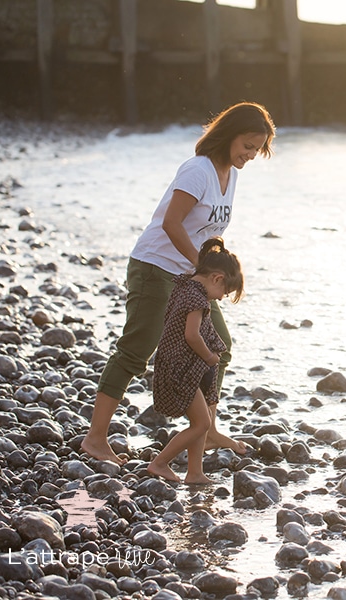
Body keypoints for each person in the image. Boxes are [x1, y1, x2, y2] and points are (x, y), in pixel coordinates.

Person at [81, 101, 275, 465]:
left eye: (256, 149)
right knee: (136, 352)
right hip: (156, 268)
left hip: (192, 276)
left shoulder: (230, 174)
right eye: (247, 145)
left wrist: (221, 267)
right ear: (229, 134)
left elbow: (209, 231)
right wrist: (201, 268)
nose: (250, 155)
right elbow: (172, 223)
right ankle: (95, 439)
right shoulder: (197, 171)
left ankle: (209, 427)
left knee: (219, 345)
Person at [148, 237, 244, 484]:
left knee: (200, 421)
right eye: (225, 292)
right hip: (182, 368)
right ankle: (159, 462)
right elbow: (191, 335)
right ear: (217, 278)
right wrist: (209, 356)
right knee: (202, 423)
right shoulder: (198, 299)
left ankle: (195, 472)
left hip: (181, 365)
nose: (221, 298)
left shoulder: (184, 285)